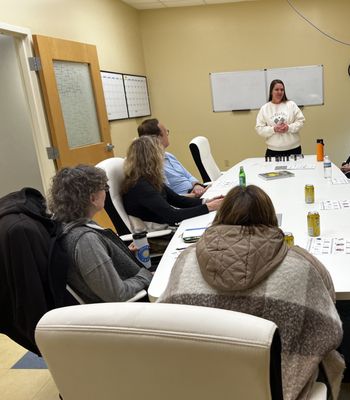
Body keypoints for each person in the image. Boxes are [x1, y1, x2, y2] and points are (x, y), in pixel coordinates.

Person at [158, 185, 345, 400]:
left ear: (220, 215)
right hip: (277, 389)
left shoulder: (184, 261)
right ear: (270, 217)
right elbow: (330, 329)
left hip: (196, 386)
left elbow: (164, 326)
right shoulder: (303, 265)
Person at [48, 165, 152, 303]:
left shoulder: (68, 224)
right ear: (92, 198)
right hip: (135, 307)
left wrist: (122, 255)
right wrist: (146, 276)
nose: (106, 192)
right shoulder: (85, 240)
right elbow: (117, 295)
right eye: (104, 188)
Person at [122, 136, 223, 227]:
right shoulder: (141, 186)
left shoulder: (149, 178)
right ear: (153, 159)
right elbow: (173, 215)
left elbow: (177, 200)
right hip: (159, 235)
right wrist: (209, 207)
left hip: (165, 226)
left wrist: (207, 201)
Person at [137, 118, 206, 197]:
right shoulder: (153, 165)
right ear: (158, 138)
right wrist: (194, 195)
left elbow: (188, 176)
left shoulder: (169, 155)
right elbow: (170, 197)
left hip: (195, 192)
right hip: (186, 199)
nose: (167, 134)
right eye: (166, 131)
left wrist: (196, 185)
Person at [255, 79, 305, 157]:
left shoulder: (291, 105)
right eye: (276, 89)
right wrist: (273, 129)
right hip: (273, 151)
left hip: (294, 149)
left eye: (282, 90)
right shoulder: (265, 108)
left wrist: (288, 127)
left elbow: (301, 121)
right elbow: (259, 128)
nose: (279, 92)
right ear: (271, 91)